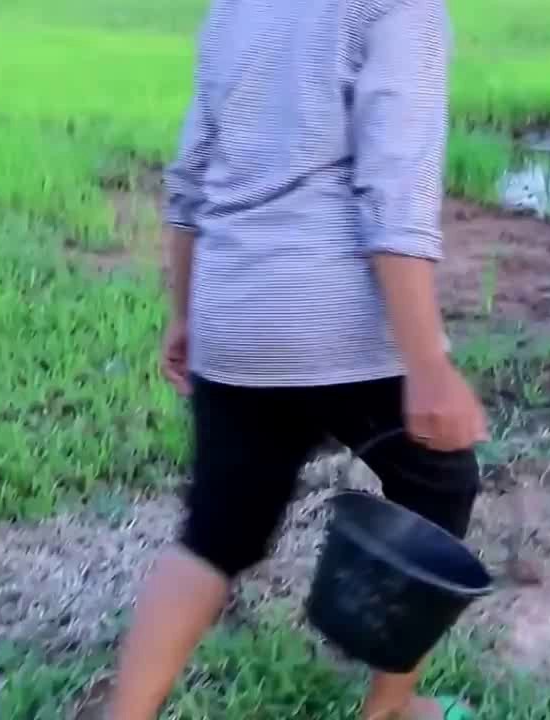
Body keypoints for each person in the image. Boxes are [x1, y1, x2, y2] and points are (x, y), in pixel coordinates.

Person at [103, 0, 486, 716]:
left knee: (214, 533)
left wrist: (186, 314)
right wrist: (429, 363)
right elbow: (394, 189)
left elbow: (189, 180)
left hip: (234, 312)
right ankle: (391, 710)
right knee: (440, 482)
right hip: (336, 317)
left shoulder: (235, 11)